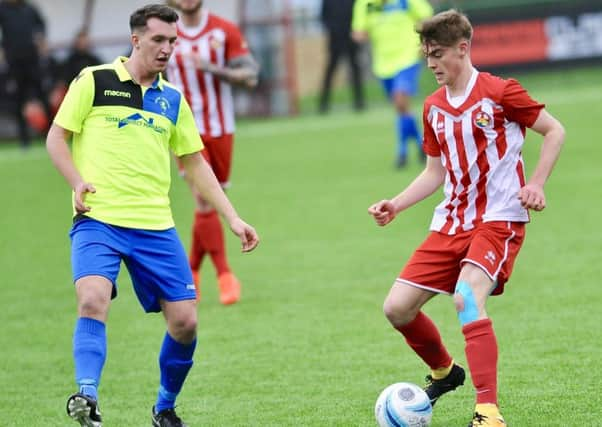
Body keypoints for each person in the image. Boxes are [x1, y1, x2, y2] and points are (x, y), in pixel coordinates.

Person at [46, 4, 259, 427]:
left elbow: (196, 164)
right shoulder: (95, 80)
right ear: (136, 39)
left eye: (173, 43)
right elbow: (56, 137)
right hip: (99, 219)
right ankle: (87, 397)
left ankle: (164, 407)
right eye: (159, 40)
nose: (167, 49)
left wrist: (233, 217)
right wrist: (76, 182)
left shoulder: (172, 99)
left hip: (155, 226)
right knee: (92, 299)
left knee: (185, 323)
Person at [368, 9, 564, 427]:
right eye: (426, 56)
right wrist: (396, 204)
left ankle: (488, 411)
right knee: (397, 309)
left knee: (467, 296)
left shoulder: (500, 92)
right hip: (452, 221)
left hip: (500, 217)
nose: (431, 64)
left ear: (463, 48)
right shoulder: (433, 107)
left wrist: (538, 183)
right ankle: (444, 371)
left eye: (437, 54)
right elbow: (434, 172)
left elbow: (554, 131)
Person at [166, 0, 259, 305]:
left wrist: (213, 69)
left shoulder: (224, 30)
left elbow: (250, 76)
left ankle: (192, 270)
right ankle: (225, 275)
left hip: (221, 129)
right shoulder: (165, 33)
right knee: (204, 199)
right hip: (184, 130)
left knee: (206, 203)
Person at [352, 0, 433, 168]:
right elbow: (358, 30)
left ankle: (402, 151)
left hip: (407, 58)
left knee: (400, 100)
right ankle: (420, 142)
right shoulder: (364, 4)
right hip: (383, 65)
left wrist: (423, 38)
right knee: (401, 108)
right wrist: (360, 34)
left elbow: (427, 17)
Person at [0, 0, 52, 147]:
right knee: (18, 100)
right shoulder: (2, 9)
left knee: (43, 94)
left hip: (32, 60)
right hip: (13, 62)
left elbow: (41, 24)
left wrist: (41, 38)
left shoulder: (29, 8)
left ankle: (50, 134)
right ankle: (24, 139)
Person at [318, 0, 365, 114]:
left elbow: (359, 15)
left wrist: (356, 31)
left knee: (355, 70)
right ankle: (324, 104)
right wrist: (333, 30)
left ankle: (359, 102)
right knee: (330, 71)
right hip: (335, 40)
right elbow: (324, 18)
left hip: (351, 39)